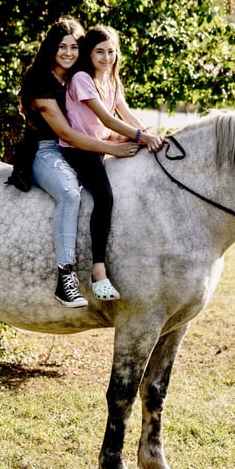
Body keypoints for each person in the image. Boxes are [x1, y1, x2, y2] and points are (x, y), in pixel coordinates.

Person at [16, 17, 142, 308]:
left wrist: (126, 138)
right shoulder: (40, 81)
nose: (69, 53)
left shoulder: (77, 77)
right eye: (62, 47)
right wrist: (113, 147)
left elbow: (94, 124)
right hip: (46, 150)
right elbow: (66, 133)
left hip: (78, 148)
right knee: (70, 194)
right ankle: (65, 278)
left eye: (74, 47)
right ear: (51, 49)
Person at [61, 25, 164, 301]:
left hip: (101, 145)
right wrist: (142, 136)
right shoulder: (82, 78)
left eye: (111, 51)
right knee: (104, 197)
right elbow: (107, 119)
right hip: (79, 149)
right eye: (99, 52)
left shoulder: (112, 81)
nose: (107, 58)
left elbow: (126, 114)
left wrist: (150, 135)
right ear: (89, 54)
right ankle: (98, 271)